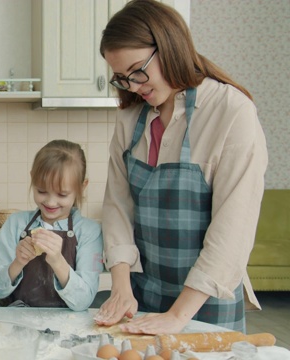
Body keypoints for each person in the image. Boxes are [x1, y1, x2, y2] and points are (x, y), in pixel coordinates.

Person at [94, 0, 268, 334]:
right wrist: (121, 287)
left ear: (170, 46)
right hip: (144, 295)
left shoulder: (231, 112)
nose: (132, 86)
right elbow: (117, 206)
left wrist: (177, 316)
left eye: (137, 71)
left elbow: (233, 230)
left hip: (205, 302)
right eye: (121, 79)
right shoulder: (130, 120)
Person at [0, 140, 104, 310]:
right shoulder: (15, 224)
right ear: (32, 179)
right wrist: (18, 262)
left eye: (62, 194)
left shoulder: (89, 232)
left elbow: (83, 301)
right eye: (41, 191)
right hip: (20, 323)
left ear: (81, 187)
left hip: (70, 327)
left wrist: (58, 261)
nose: (50, 202)